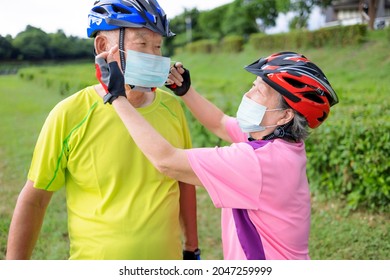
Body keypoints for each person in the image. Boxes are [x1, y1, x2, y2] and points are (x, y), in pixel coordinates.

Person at [94, 49, 339, 260]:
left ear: (285, 115)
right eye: (252, 87)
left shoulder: (256, 162)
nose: (247, 95)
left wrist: (117, 98)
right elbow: (221, 123)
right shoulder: (281, 144)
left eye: (259, 92)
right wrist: (185, 91)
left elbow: (167, 161)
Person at [6, 0, 199, 260]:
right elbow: (35, 199)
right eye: (142, 44)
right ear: (102, 46)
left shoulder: (172, 108)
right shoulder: (70, 113)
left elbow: (184, 182)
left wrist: (191, 248)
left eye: (158, 45)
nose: (154, 56)